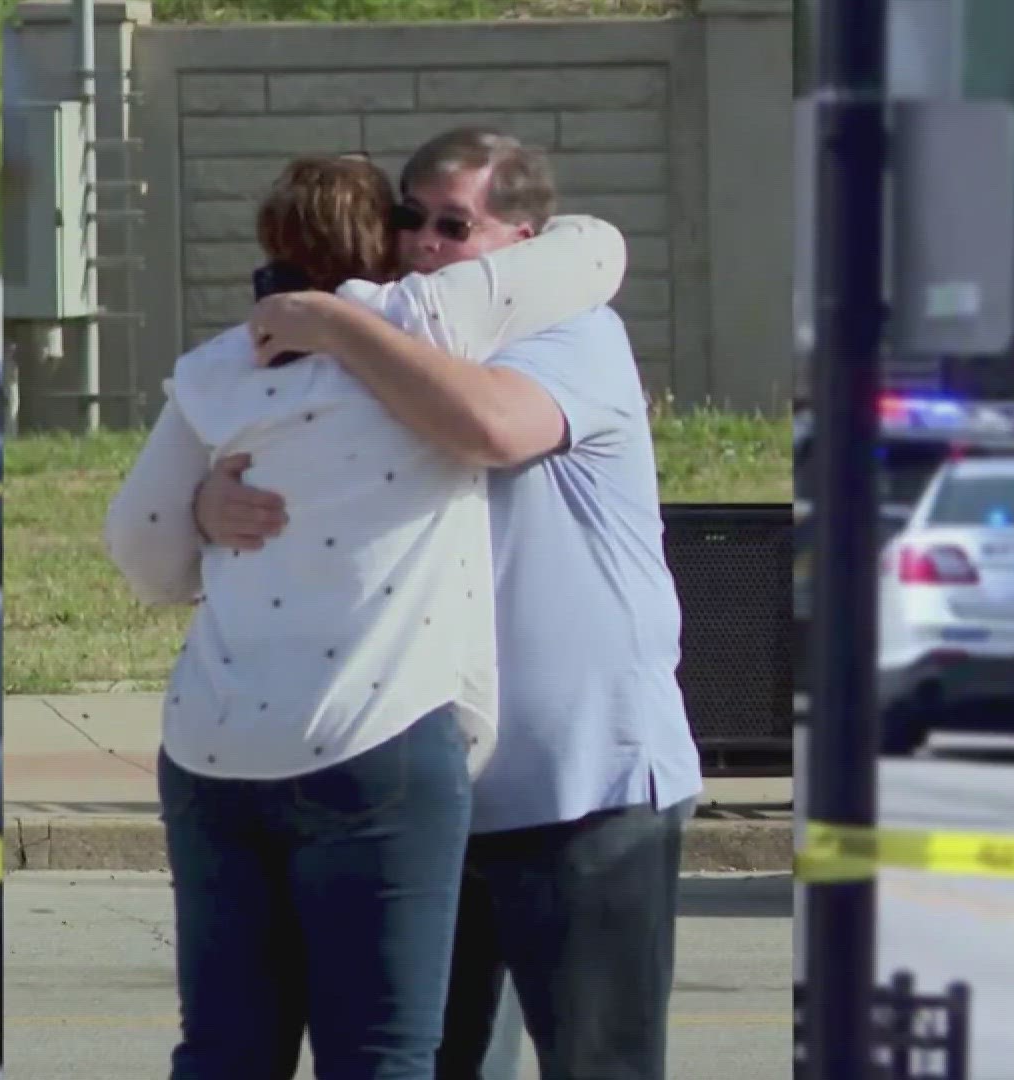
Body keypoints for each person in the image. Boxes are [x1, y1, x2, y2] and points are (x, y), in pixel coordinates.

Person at [101, 154, 627, 1079]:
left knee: (224, 1048)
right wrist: (352, 315)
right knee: (381, 1053)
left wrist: (199, 517)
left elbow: (139, 552)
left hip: (215, 748)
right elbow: (599, 250)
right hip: (375, 731)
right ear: (384, 242)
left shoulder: (219, 369)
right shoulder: (430, 321)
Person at [214, 127, 703, 1080]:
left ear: (522, 242)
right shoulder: (387, 349)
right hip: (431, 785)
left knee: (600, 1062)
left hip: (584, 783)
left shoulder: (573, 335)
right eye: (411, 219)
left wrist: (335, 323)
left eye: (455, 225)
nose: (427, 244)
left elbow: (488, 427)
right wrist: (206, 501)